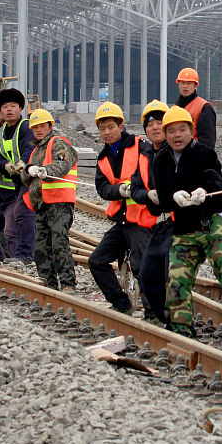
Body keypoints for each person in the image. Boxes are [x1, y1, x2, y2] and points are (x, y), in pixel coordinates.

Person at [151, 105, 222, 337]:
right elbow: (162, 195)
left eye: (182, 129)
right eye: (171, 131)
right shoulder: (160, 160)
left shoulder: (205, 154)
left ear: (191, 131)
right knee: (176, 280)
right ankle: (181, 329)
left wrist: (205, 191)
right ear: (165, 134)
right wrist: (172, 198)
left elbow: (215, 180)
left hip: (212, 220)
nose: (177, 135)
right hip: (184, 227)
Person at [86, 101, 145, 314]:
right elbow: (102, 188)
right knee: (97, 261)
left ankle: (153, 311)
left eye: (111, 127)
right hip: (122, 221)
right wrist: (119, 190)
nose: (107, 132)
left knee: (141, 265)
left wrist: (136, 186)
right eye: (102, 128)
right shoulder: (102, 158)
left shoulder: (140, 146)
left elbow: (152, 173)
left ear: (121, 126)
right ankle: (121, 303)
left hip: (141, 220)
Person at [20, 109, 79, 291]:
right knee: (41, 246)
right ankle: (48, 283)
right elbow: (27, 178)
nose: (38, 130)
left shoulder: (58, 143)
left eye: (42, 126)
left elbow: (62, 163)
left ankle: (68, 283)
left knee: (59, 242)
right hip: (42, 203)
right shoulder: (36, 150)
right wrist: (27, 170)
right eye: (35, 127)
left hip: (59, 202)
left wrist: (46, 171)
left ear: (50, 126)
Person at [0, 89, 36, 265]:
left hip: (26, 184)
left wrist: (22, 163)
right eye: (5, 107)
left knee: (12, 230)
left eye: (13, 106)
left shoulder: (26, 127)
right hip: (8, 191)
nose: (9, 110)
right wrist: (4, 166)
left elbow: (29, 148)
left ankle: (21, 262)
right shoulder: (1, 131)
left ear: (21, 108)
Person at [130, 99, 173, 324]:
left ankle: (173, 320)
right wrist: (147, 195)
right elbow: (135, 187)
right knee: (146, 273)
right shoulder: (144, 156)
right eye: (150, 124)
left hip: (174, 223)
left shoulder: (178, 152)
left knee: (170, 275)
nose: (155, 127)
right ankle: (154, 315)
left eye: (159, 122)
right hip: (150, 223)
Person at [173, 67, 216, 149]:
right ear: (178, 84)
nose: (185, 86)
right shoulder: (175, 108)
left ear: (195, 85)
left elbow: (208, 141)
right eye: (182, 83)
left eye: (189, 83)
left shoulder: (204, 108)